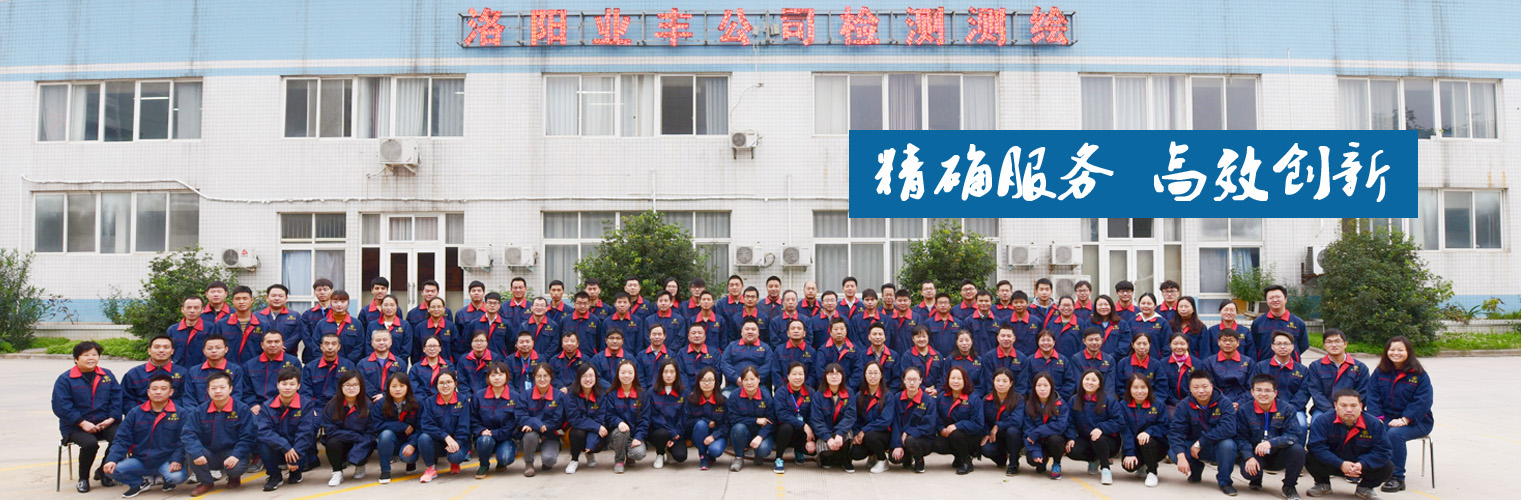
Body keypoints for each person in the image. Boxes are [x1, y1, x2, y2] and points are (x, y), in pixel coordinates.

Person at [53, 341, 125, 493]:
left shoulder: (106, 375)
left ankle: (104, 471)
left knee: (121, 438)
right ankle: (83, 478)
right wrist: (81, 422)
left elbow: (117, 399)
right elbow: (62, 405)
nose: (91, 358)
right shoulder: (66, 379)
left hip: (105, 421)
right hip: (75, 425)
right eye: (86, 355)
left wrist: (111, 419)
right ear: (76, 359)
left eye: (94, 354)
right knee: (90, 444)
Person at [1365, 336, 1434, 493]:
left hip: (1417, 421)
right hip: (1387, 417)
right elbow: (1372, 396)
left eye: (1400, 350)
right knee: (1371, 429)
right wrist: (1377, 418)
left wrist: (1406, 419)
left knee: (1395, 434)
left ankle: (1397, 477)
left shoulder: (1419, 375)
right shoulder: (1380, 372)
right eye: (1392, 349)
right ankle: (1374, 469)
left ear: (1408, 352)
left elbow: (1423, 401)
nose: (1396, 353)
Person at [101, 373, 187, 497]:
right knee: (110, 470)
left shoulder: (180, 413)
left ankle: (165, 478)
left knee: (176, 477)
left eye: (163, 389)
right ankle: (139, 483)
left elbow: (183, 440)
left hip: (166, 460)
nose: (158, 392)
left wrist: (176, 459)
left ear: (171, 392)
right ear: (148, 392)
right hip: (141, 460)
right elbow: (122, 439)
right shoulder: (135, 413)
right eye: (154, 389)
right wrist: (112, 459)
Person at [1305, 389, 1394, 499]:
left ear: (1361, 406)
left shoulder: (1374, 424)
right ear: (1335, 406)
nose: (1349, 410)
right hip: (1333, 464)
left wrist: (1362, 464)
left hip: (1360, 467)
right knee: (1310, 457)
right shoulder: (1323, 421)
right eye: (1343, 405)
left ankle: (1365, 487)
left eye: (1353, 405)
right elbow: (1316, 447)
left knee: (1387, 466)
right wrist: (1341, 464)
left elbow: (1383, 450)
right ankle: (1322, 483)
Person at [182, 370, 256, 496]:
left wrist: (236, 455)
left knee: (236, 467)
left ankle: (234, 477)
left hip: (231, 452)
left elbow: (248, 436)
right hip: (208, 453)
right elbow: (189, 434)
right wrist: (197, 452)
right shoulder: (199, 411)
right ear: (208, 390)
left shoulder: (242, 409)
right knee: (191, 453)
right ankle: (206, 482)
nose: (218, 391)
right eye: (214, 388)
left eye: (222, 387)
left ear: (230, 389)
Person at [1169, 369, 1241, 496]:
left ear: (1211, 386)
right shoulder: (1184, 405)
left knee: (1228, 445)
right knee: (1174, 453)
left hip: (1216, 446)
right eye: (1196, 387)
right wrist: (1181, 456)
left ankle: (1225, 482)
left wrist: (1201, 442)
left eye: (1204, 386)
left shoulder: (1224, 403)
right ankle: (1196, 470)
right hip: (1193, 447)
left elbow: (1228, 428)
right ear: (1190, 389)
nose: (1201, 391)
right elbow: (1176, 432)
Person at [1235, 374, 1308, 500]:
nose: (1263, 394)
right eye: (1259, 390)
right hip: (1256, 453)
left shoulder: (1286, 409)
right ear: (1252, 392)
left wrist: (1272, 443)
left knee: (1298, 450)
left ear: (1275, 393)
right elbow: (1240, 437)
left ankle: (1289, 487)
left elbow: (1295, 434)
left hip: (1278, 453)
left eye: (1268, 390)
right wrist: (1248, 457)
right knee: (1249, 473)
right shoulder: (1244, 410)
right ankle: (1256, 479)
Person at [254, 366, 317, 491]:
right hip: (278, 449)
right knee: (262, 444)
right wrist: (285, 447)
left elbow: (305, 432)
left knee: (306, 440)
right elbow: (264, 431)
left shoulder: (306, 405)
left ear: (298, 386)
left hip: (297, 449)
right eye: (284, 384)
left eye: (292, 384)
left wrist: (294, 454)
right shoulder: (267, 406)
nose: (287, 387)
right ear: (278, 385)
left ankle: (296, 471)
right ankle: (274, 475)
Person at [1066, 369, 1123, 484]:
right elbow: (1069, 421)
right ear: (1082, 381)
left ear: (1099, 384)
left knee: (1098, 438)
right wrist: (1070, 437)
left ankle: (1105, 468)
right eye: (1087, 379)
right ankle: (1093, 460)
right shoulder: (1074, 400)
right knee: (1072, 449)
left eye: (1094, 380)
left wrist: (1101, 428)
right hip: (1086, 438)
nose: (1090, 382)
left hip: (1108, 440)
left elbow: (1119, 421)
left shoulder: (1109, 400)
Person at [321, 372, 374, 487]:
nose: (351, 388)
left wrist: (361, 441)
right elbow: (330, 430)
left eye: (355, 385)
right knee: (332, 443)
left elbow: (371, 430)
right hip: (343, 440)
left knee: (367, 443)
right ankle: (337, 472)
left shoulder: (368, 404)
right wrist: (355, 436)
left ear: (361, 386)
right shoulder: (332, 405)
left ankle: (360, 465)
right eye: (347, 385)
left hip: (361, 442)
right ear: (341, 386)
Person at [418, 369, 471, 483]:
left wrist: (457, 443)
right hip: (439, 441)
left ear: (455, 384)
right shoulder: (429, 402)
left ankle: (454, 462)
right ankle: (430, 468)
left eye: (449, 382)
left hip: (458, 442)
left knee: (455, 457)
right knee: (423, 438)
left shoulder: (463, 400)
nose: (445, 386)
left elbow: (464, 426)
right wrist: (445, 436)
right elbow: (426, 425)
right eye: (441, 383)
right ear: (436, 385)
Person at [1305, 329, 1371, 420]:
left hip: (1351, 410)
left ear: (1345, 344)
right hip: (1324, 410)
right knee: (1317, 422)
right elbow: (1316, 392)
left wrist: (1348, 409)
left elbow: (1363, 393)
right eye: (1329, 342)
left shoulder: (1360, 367)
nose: (1334, 345)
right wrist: (1331, 412)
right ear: (1324, 345)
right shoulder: (1316, 366)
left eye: (1337, 341)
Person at [1253, 330, 1313, 430]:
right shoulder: (1261, 367)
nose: (1282, 347)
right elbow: (1256, 389)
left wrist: (1288, 410)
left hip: (1294, 409)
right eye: (1278, 344)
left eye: (1286, 344)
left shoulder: (1302, 370)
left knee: (1301, 425)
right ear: (1272, 347)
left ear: (1292, 347)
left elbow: (1304, 393)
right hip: (1266, 407)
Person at [1119, 374, 1168, 487]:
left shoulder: (1158, 404)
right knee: (1129, 466)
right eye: (1135, 387)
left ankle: (1152, 472)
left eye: (1143, 387)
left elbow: (1164, 426)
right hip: (1135, 446)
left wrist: (1149, 432)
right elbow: (1125, 431)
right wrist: (1130, 452)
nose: (1140, 391)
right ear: (1129, 389)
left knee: (1147, 441)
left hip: (1155, 446)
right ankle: (1142, 464)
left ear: (1149, 388)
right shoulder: (1123, 405)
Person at [934, 366, 984, 475]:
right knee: (937, 444)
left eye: (959, 378)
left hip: (970, 436)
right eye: (952, 378)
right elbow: (937, 417)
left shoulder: (973, 398)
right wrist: (941, 429)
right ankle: (958, 456)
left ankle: (967, 461)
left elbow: (978, 423)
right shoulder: (942, 397)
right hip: (949, 434)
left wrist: (957, 426)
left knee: (956, 434)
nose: (955, 381)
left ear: (965, 380)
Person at [518, 363, 566, 476]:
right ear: (534, 377)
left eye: (545, 376)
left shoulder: (559, 396)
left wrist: (540, 426)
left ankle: (549, 454)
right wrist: (538, 424)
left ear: (551, 377)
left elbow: (558, 420)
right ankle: (529, 463)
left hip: (550, 434)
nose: (542, 379)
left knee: (549, 460)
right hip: (532, 433)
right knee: (530, 436)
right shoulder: (525, 395)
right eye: (539, 376)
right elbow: (521, 416)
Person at [726, 366, 776, 471]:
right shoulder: (735, 396)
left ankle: (758, 454)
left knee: (763, 450)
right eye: (746, 380)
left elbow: (771, 421)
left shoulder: (766, 396)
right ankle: (739, 457)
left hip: (762, 432)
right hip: (744, 432)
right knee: (738, 428)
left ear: (758, 380)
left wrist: (760, 436)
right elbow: (733, 419)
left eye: (752, 379)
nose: (749, 383)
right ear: (741, 381)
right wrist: (756, 420)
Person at [890, 366, 939, 474]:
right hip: (903, 438)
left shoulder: (928, 401)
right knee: (894, 458)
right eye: (909, 379)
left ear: (920, 380)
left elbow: (929, 425)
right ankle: (908, 456)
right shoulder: (897, 398)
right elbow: (895, 423)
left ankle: (919, 459)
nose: (912, 383)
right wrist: (897, 445)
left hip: (923, 439)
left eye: (915, 379)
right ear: (904, 380)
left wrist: (908, 432)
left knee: (910, 441)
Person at [373, 372, 420, 483]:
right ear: (388, 388)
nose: (398, 389)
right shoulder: (381, 404)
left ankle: (410, 462)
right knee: (385, 435)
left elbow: (422, 426)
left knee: (407, 457)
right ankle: (385, 470)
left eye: (402, 386)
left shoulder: (417, 402)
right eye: (394, 386)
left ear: (408, 387)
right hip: (392, 439)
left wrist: (412, 444)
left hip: (410, 440)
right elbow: (375, 425)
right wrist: (401, 426)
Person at [1021, 371, 1069, 479]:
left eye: (1046, 385)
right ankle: (1043, 459)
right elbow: (1028, 432)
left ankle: (1056, 463)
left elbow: (1061, 426)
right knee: (1032, 460)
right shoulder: (1029, 405)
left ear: (1051, 387)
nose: (1042, 389)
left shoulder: (1060, 404)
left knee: (1055, 439)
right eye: (1039, 385)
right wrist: (1036, 452)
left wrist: (1038, 432)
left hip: (1053, 441)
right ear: (1034, 388)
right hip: (1038, 442)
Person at [605, 360, 651, 473]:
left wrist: (638, 437)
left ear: (635, 375)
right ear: (618, 374)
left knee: (638, 453)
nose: (626, 375)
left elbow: (645, 419)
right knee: (622, 432)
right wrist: (619, 422)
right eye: (623, 372)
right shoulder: (611, 394)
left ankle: (629, 455)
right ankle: (619, 460)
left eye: (630, 372)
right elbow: (608, 415)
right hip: (617, 434)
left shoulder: (642, 395)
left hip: (635, 434)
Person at [810, 363, 857, 472]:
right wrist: (828, 438)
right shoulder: (818, 395)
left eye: (837, 374)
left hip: (842, 432)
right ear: (825, 377)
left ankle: (845, 459)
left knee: (848, 435)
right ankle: (830, 459)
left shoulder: (849, 393)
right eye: (831, 374)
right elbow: (817, 421)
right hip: (825, 433)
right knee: (824, 451)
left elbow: (850, 416)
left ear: (842, 376)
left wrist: (839, 433)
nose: (834, 377)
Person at [121, 334, 188, 408]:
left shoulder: (182, 373)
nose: (161, 350)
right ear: (149, 350)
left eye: (166, 347)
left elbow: (185, 398)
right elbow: (126, 399)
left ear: (172, 351)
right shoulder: (134, 374)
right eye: (157, 347)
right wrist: (140, 412)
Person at [980, 368, 1025, 476]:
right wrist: (986, 433)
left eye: (1005, 381)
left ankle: (1013, 464)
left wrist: (998, 426)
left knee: (1012, 431)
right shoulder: (987, 400)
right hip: (995, 436)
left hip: (1013, 436)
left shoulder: (1018, 400)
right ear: (993, 382)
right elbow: (982, 420)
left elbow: (1017, 421)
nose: (1001, 384)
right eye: (998, 380)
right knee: (985, 448)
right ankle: (1001, 459)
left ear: (1011, 383)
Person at [772, 362, 815, 473]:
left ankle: (799, 451)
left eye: (800, 374)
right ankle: (779, 458)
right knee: (787, 428)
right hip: (785, 431)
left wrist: (811, 436)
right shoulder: (781, 392)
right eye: (794, 374)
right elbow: (782, 415)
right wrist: (803, 425)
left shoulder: (810, 392)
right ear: (788, 376)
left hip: (803, 432)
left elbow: (813, 414)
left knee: (814, 450)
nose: (797, 377)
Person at [564, 364, 607, 474]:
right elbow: (575, 419)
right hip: (576, 429)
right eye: (584, 376)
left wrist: (591, 443)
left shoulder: (601, 395)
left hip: (594, 430)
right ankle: (574, 460)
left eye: (591, 376)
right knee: (578, 433)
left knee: (599, 440)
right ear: (578, 378)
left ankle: (589, 453)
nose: (588, 379)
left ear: (596, 377)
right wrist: (596, 427)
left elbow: (600, 419)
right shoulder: (571, 395)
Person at [852, 361, 894, 474]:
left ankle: (882, 460)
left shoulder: (888, 396)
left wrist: (864, 431)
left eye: (876, 373)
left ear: (881, 375)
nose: (872, 376)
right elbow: (855, 418)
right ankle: (872, 454)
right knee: (855, 452)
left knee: (870, 436)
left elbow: (885, 421)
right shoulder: (859, 396)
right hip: (865, 434)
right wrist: (856, 433)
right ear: (865, 375)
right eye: (869, 373)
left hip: (883, 435)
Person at [212, 286, 271, 364]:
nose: (241, 302)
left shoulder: (263, 325)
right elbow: (213, 347)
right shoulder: (221, 325)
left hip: (255, 367)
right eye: (237, 299)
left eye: (245, 298)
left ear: (251, 300)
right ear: (233, 301)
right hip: (228, 367)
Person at [244, 330, 302, 411]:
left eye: (277, 342)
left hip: (285, 405)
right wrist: (253, 404)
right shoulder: (250, 365)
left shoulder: (293, 362)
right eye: (269, 342)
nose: (273, 345)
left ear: (282, 344)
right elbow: (247, 391)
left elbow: (300, 388)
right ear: (262, 345)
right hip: (259, 407)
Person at [185, 334, 247, 407]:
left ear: (226, 349)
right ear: (204, 351)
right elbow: (189, 398)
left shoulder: (235, 370)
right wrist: (197, 412)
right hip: (199, 412)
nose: (214, 351)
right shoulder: (194, 371)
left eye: (218, 348)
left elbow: (237, 395)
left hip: (228, 411)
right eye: (209, 348)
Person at [1251, 285, 1310, 361]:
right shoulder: (1258, 322)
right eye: (1271, 298)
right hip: (1264, 365)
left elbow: (1304, 345)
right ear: (1267, 301)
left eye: (1278, 297)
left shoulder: (1298, 323)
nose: (1275, 300)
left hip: (1291, 366)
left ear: (1285, 299)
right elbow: (1254, 345)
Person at [686, 367, 729, 470]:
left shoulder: (723, 401)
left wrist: (714, 436)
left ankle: (710, 455)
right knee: (701, 424)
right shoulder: (691, 400)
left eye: (710, 380)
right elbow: (686, 421)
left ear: (716, 382)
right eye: (703, 380)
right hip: (698, 435)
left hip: (718, 435)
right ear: (698, 382)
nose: (706, 383)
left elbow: (727, 424)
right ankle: (703, 457)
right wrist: (706, 421)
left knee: (715, 450)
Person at [648, 360, 687, 469]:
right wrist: (671, 432)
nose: (669, 375)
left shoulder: (683, 393)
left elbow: (684, 417)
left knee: (681, 456)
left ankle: (670, 449)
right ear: (660, 373)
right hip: (659, 431)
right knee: (662, 434)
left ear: (677, 373)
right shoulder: (652, 392)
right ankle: (660, 453)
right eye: (665, 372)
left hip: (677, 433)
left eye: (672, 372)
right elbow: (653, 416)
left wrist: (675, 435)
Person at [1203, 329, 1256, 406]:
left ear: (1238, 343)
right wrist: (1224, 403)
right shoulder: (1209, 362)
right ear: (1218, 342)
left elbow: (1251, 388)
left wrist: (1239, 403)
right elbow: (1210, 387)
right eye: (1224, 340)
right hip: (1217, 403)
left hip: (1243, 403)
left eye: (1231, 340)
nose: (1228, 343)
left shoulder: (1248, 362)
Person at [722, 319, 777, 392]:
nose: (750, 332)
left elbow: (768, 365)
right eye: (747, 329)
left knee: (766, 398)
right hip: (734, 386)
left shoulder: (765, 348)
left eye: (753, 329)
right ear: (741, 332)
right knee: (724, 396)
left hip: (759, 386)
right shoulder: (732, 346)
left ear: (758, 333)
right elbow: (724, 363)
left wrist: (753, 380)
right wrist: (736, 378)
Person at [301, 333, 355, 407]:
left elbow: (353, 389)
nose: (330, 347)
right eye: (326, 344)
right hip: (317, 407)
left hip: (341, 406)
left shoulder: (348, 365)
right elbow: (305, 393)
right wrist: (310, 409)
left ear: (339, 347)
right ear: (321, 347)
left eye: (334, 344)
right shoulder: (309, 368)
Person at [315, 290, 364, 364]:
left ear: (348, 303)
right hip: (325, 364)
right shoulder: (322, 324)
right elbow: (316, 345)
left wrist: (346, 362)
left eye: (343, 301)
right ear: (331, 303)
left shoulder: (357, 324)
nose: (339, 304)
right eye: (335, 302)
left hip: (349, 365)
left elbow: (359, 346)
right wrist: (326, 361)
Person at [978, 324, 1029, 396]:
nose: (1006, 339)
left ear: (1014, 338)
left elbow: (1021, 386)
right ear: (998, 338)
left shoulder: (1022, 358)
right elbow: (989, 384)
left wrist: (1013, 400)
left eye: (1009, 336)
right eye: (1003, 336)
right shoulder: (989, 358)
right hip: (994, 398)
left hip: (1015, 399)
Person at [262, 284, 310, 359]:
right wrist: (268, 347)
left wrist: (281, 347)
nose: (277, 298)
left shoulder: (295, 316)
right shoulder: (258, 316)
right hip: (262, 356)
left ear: (286, 298)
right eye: (273, 296)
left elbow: (298, 334)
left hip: (288, 356)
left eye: (280, 296)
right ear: (267, 298)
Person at [1113, 333, 1164, 401]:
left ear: (1149, 345)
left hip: (1151, 402)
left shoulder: (1156, 365)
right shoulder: (1123, 363)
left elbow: (1161, 388)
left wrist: (1151, 401)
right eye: (1138, 343)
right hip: (1127, 402)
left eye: (1145, 344)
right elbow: (1119, 387)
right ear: (1132, 345)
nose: (1142, 347)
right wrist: (1131, 400)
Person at [816, 317, 863, 391]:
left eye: (841, 329)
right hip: (828, 390)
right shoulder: (823, 350)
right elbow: (820, 372)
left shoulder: (855, 350)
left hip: (849, 390)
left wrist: (846, 388)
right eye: (836, 329)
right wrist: (832, 387)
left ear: (846, 331)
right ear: (830, 332)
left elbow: (858, 372)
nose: (839, 332)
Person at [1028, 329, 1076, 398]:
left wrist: (1059, 398)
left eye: (1048, 340)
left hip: (1058, 399)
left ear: (1053, 342)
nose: (1046, 343)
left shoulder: (1063, 360)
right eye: (1043, 340)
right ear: (1038, 342)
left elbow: (1070, 382)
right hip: (1036, 399)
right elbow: (1028, 383)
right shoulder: (1030, 360)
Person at [367, 295, 414, 364]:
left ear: (397, 307)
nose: (389, 308)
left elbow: (406, 349)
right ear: (381, 307)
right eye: (386, 305)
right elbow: (368, 347)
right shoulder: (372, 325)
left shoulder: (405, 325)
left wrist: (396, 362)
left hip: (398, 365)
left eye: (392, 305)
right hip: (375, 364)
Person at [901, 326, 946, 397]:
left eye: (924, 336)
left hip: (935, 394)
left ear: (928, 337)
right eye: (918, 337)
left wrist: (937, 390)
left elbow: (942, 375)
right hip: (914, 393)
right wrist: (924, 389)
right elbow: (906, 377)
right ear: (913, 338)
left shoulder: (937, 355)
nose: (921, 339)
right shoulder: (907, 356)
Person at [774, 319, 818, 389]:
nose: (796, 331)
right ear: (788, 333)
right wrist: (784, 389)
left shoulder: (811, 352)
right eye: (793, 328)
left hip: (806, 390)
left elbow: (813, 373)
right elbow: (775, 372)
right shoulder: (779, 351)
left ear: (804, 333)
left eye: (799, 328)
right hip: (784, 390)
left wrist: (805, 388)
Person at [1163, 334, 1203, 408]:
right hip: (1170, 404)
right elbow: (1163, 387)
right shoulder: (1163, 363)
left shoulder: (1198, 364)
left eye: (1182, 344)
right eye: (1175, 344)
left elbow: (1199, 386)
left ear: (1187, 345)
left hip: (1193, 402)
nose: (1179, 347)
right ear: (1170, 345)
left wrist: (1187, 402)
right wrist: (1175, 402)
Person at [302, 279, 338, 362]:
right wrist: (317, 354)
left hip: (335, 356)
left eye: (325, 289)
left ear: (332, 291)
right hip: (312, 357)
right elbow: (306, 337)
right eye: (319, 290)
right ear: (314, 293)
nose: (322, 292)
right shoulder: (307, 314)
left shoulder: (339, 313)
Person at [1129, 293, 1174, 359]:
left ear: (1155, 306)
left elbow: (1167, 346)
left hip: (1156, 360)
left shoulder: (1162, 323)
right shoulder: (1132, 321)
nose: (1146, 306)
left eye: (1149, 304)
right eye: (1143, 303)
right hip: (1134, 361)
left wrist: (1163, 361)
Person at [418, 297, 462, 362]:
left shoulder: (451, 327)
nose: (436, 309)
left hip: (446, 365)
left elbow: (457, 349)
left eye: (439, 307)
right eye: (433, 307)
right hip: (425, 365)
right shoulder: (420, 327)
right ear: (428, 309)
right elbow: (416, 351)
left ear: (444, 309)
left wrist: (454, 365)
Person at [676, 324, 720, 390]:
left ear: (705, 336)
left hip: (709, 390)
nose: (697, 335)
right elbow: (681, 375)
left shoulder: (714, 353)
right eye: (693, 333)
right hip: (688, 391)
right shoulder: (681, 353)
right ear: (688, 336)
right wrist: (688, 393)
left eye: (700, 333)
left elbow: (717, 375)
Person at [409, 336, 453, 402]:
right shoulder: (416, 368)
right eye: (429, 346)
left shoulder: (448, 365)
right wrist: (427, 401)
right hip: (422, 402)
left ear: (440, 348)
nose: (432, 349)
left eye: (435, 346)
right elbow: (414, 388)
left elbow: (451, 385)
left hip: (444, 400)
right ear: (424, 349)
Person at [168, 296, 208, 367]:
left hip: (202, 370)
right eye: (188, 307)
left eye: (196, 308)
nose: (192, 311)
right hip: (178, 370)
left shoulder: (210, 329)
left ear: (202, 310)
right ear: (182, 309)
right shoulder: (173, 330)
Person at [862, 322, 902, 392]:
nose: (877, 337)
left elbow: (897, 379)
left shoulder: (894, 356)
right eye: (874, 334)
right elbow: (860, 377)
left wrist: (888, 394)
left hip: (888, 393)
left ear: (885, 337)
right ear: (869, 337)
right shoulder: (862, 355)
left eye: (880, 334)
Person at [561, 292, 602, 357]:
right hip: (569, 357)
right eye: (579, 303)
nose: (582, 306)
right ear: (574, 304)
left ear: (589, 304)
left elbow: (599, 342)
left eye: (585, 303)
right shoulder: (565, 320)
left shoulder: (595, 320)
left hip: (590, 358)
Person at [636, 324, 675, 389]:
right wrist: (644, 392)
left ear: (664, 336)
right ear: (649, 336)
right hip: (646, 390)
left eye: (659, 334)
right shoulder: (641, 356)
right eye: (654, 334)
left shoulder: (671, 355)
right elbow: (639, 377)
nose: (657, 337)